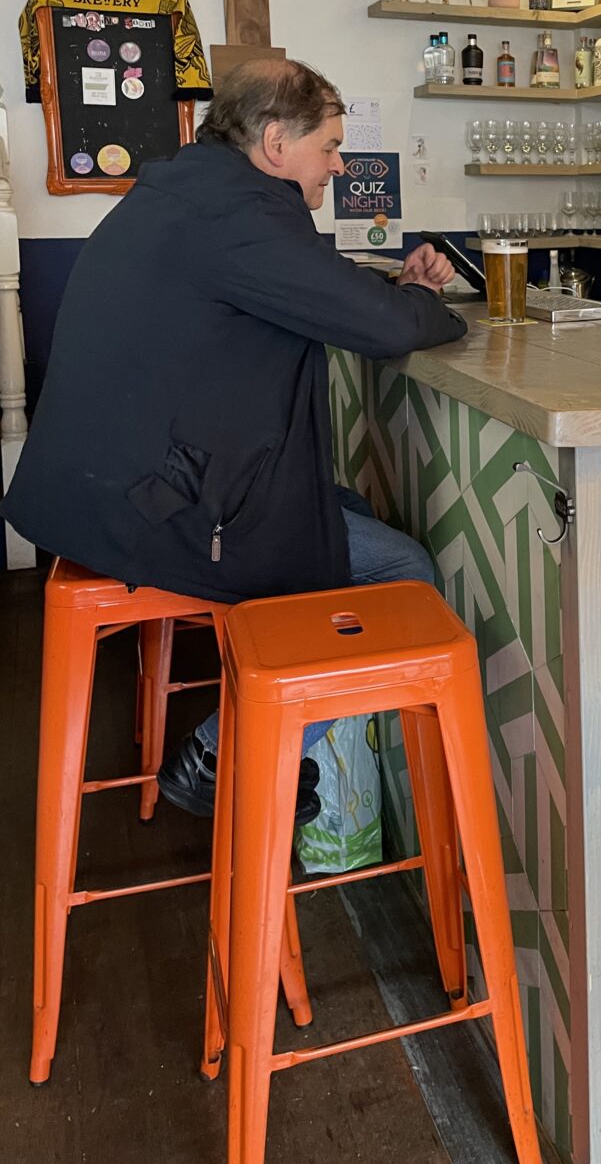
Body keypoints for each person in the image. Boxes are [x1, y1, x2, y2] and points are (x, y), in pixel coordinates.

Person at [4, 58, 467, 817]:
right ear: (277, 142)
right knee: (402, 571)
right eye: (330, 145)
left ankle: (270, 749)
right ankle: (227, 752)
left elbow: (311, 286)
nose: (339, 163)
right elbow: (382, 331)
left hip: (97, 490)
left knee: (337, 515)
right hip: (151, 508)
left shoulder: (195, 190)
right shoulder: (243, 214)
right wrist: (415, 298)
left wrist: (388, 288)